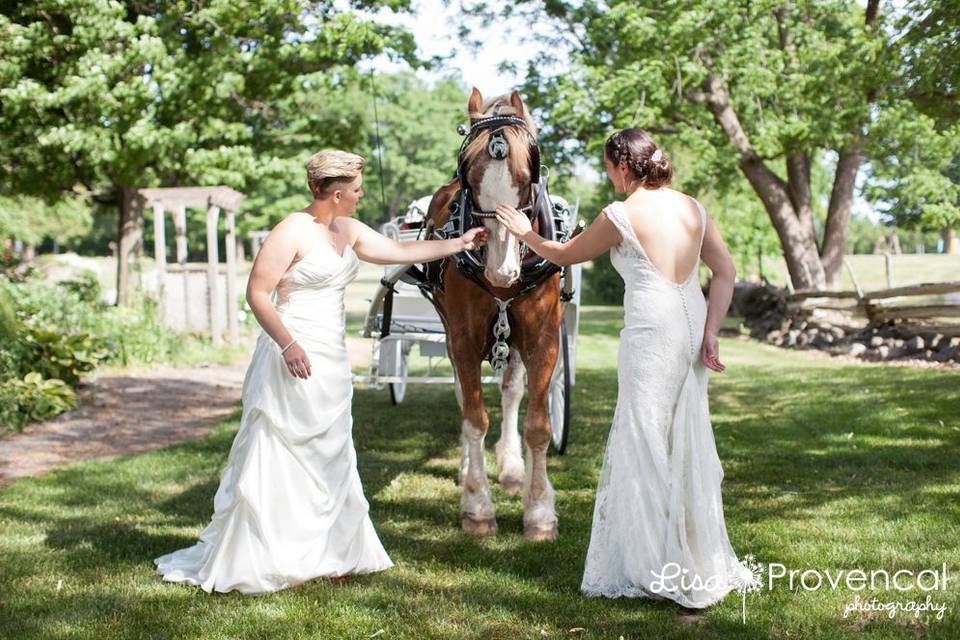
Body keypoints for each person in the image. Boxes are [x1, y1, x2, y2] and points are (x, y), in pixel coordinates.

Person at [155, 150, 486, 594]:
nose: (360, 194)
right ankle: (280, 556)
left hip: (331, 355)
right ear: (334, 193)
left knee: (329, 450)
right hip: (293, 349)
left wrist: (460, 243)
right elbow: (257, 294)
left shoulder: (346, 229)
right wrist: (288, 344)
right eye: (355, 189)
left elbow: (399, 251)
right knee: (287, 449)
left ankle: (328, 551)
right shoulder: (291, 230)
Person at [495, 128, 755, 608]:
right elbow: (726, 272)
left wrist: (524, 231)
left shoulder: (622, 214)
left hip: (652, 328)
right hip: (692, 320)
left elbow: (564, 255)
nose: (607, 175)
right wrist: (712, 332)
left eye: (609, 166)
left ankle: (653, 561)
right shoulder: (692, 207)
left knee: (644, 434)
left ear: (624, 165)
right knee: (683, 433)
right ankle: (689, 550)